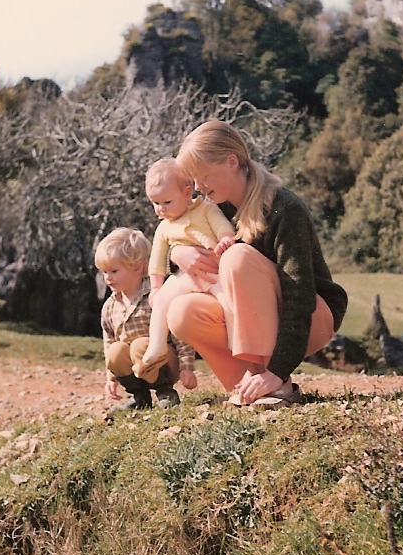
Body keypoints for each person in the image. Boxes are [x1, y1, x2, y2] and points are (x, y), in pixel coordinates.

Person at [167, 120, 348, 407]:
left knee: (236, 257)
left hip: (312, 317)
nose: (199, 188)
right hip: (258, 320)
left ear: (231, 162)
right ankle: (246, 386)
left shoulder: (284, 208)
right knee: (181, 312)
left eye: (204, 176)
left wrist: (278, 370)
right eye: (194, 180)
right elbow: (177, 234)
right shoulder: (214, 209)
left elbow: (300, 296)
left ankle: (274, 382)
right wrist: (177, 255)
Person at [136, 158, 236, 380]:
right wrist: (155, 287)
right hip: (184, 276)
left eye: (167, 202)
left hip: (213, 271)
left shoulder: (205, 209)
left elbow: (221, 224)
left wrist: (225, 238)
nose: (161, 209)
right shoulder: (164, 227)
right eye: (155, 203)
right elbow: (157, 260)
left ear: (187, 192)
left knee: (229, 302)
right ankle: (157, 345)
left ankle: (235, 342)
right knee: (161, 301)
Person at [94, 227, 197, 412]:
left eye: (114, 271)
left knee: (140, 345)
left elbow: (179, 335)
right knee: (116, 350)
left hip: (165, 363)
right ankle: (140, 398)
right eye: (104, 272)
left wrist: (186, 367)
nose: (108, 278)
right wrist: (111, 378)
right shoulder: (110, 306)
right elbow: (108, 342)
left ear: (138, 267)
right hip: (134, 366)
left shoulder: (157, 296)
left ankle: (166, 392)